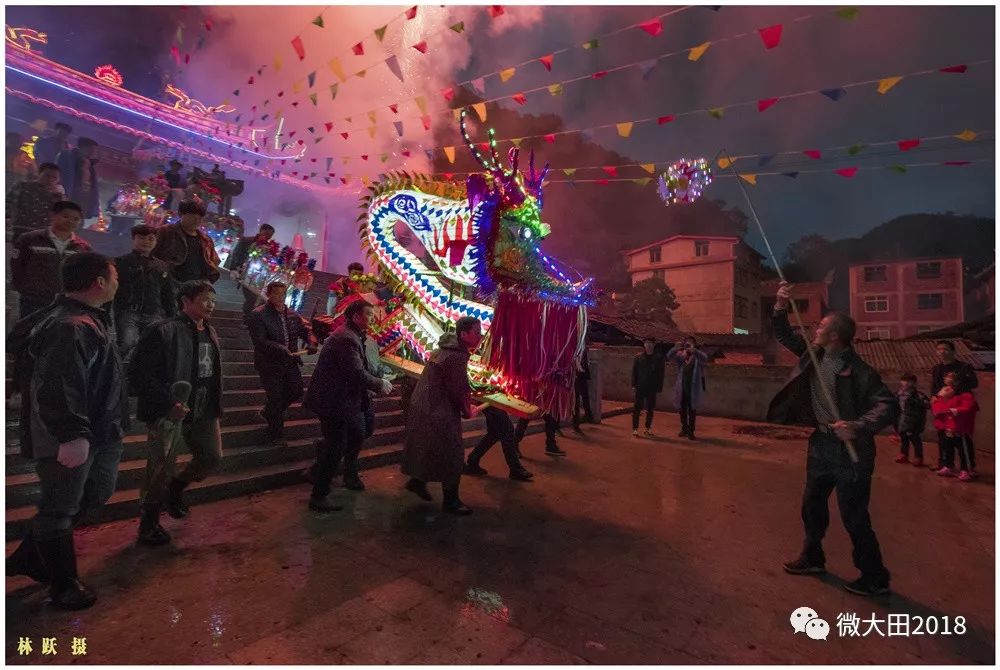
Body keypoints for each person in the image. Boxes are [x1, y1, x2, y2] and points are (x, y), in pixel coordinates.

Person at [5, 252, 127, 610]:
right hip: (72, 436)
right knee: (60, 507)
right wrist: (72, 435)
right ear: (99, 282)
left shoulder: (91, 320)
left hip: (101, 431)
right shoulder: (69, 325)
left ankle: (30, 557)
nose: (118, 283)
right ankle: (63, 585)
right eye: (114, 276)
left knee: (94, 494)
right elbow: (58, 386)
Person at [768, 281, 897, 597]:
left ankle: (875, 576)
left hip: (851, 450)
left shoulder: (859, 370)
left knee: (854, 517)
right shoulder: (814, 354)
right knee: (812, 506)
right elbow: (784, 335)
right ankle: (813, 557)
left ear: (835, 336)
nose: (815, 328)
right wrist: (780, 306)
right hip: (821, 444)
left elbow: (888, 404)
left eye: (821, 326)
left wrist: (858, 425)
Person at [131, 281, 224, 546]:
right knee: (160, 468)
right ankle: (148, 524)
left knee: (211, 456)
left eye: (213, 300)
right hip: (169, 412)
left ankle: (177, 487)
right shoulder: (162, 330)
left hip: (204, 408)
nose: (210, 305)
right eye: (205, 299)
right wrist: (166, 402)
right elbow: (140, 374)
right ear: (185, 300)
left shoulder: (210, 331)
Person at [304, 301, 393, 509]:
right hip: (334, 401)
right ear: (355, 316)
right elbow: (355, 372)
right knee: (336, 447)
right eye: (369, 314)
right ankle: (318, 495)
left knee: (356, 433)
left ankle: (326, 473)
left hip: (346, 400)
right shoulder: (346, 338)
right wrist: (380, 383)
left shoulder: (354, 336)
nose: (373, 318)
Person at [402, 318, 485, 515]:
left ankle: (417, 481)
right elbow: (458, 389)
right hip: (437, 410)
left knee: (430, 449)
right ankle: (451, 500)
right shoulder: (456, 356)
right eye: (477, 332)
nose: (480, 336)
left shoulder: (445, 350)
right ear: (463, 334)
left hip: (425, 407)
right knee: (453, 454)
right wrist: (467, 409)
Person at [246, 281, 318, 445]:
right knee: (276, 398)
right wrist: (279, 348)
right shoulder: (258, 314)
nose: (280, 297)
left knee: (296, 390)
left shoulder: (292, 314)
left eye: (283, 294)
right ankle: (275, 434)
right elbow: (260, 340)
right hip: (269, 364)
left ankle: (270, 411)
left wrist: (311, 342)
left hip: (290, 362)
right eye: (276, 293)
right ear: (269, 294)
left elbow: (305, 331)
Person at [11, 200, 92, 319]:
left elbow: (84, 274)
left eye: (76, 219)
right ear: (53, 216)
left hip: (66, 304)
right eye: (65, 216)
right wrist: (26, 290)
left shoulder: (83, 247)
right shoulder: (29, 239)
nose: (70, 221)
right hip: (34, 301)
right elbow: (17, 267)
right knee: (29, 334)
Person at [113, 225, 175, 366]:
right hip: (129, 311)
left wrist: (172, 314)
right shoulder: (121, 262)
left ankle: (139, 376)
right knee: (127, 342)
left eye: (151, 239)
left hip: (154, 312)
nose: (146, 242)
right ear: (133, 239)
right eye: (141, 238)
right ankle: (114, 370)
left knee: (152, 347)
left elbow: (167, 293)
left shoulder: (162, 266)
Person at [930, 340, 978, 470]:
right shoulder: (937, 369)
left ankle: (968, 467)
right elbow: (935, 386)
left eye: (945, 349)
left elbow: (973, 383)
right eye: (939, 349)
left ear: (953, 351)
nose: (942, 352)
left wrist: (954, 391)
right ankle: (945, 464)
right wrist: (934, 397)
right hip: (943, 406)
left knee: (961, 437)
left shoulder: (964, 367)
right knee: (943, 436)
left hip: (959, 406)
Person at [153, 199, 221, 285]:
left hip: (197, 285)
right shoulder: (165, 232)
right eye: (192, 216)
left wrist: (207, 281)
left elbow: (213, 260)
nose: (197, 220)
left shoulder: (206, 239)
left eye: (200, 218)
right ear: (181, 214)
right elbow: (151, 255)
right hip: (169, 282)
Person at [930, 371, 979, 481]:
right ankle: (948, 465)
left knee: (964, 449)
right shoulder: (944, 392)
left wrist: (954, 410)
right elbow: (937, 404)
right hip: (948, 426)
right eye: (946, 377)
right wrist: (938, 407)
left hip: (961, 427)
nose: (947, 379)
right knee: (948, 447)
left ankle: (966, 469)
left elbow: (968, 407)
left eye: (950, 377)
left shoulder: (965, 394)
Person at [465, 406, 534, 481]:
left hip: (489, 400)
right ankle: (516, 469)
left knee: (494, 433)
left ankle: (473, 460)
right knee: (507, 430)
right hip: (489, 400)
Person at [224, 223, 276, 314]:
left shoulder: (270, 248)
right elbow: (237, 254)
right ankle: (247, 317)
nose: (268, 237)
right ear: (261, 231)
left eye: (270, 235)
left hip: (260, 276)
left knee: (259, 298)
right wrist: (233, 268)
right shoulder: (247, 241)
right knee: (251, 297)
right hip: (246, 273)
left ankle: (251, 318)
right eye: (266, 234)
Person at [7, 162, 66, 240]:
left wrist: (59, 198)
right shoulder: (23, 186)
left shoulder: (57, 195)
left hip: (43, 234)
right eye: (47, 176)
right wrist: (6, 217)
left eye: (54, 178)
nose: (50, 180)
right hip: (20, 229)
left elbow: (63, 215)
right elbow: (7, 202)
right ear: (39, 173)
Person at [666, 336, 709, 440]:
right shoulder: (681, 357)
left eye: (691, 344)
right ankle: (684, 428)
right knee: (682, 410)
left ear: (694, 345)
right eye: (687, 344)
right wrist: (675, 348)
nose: (688, 346)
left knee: (692, 411)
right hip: (682, 389)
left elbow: (705, 358)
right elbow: (669, 356)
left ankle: (691, 431)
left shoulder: (698, 358)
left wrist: (695, 351)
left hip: (693, 389)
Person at [56, 137, 100, 218]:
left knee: (77, 219)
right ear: (84, 147)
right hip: (69, 194)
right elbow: (60, 174)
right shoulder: (67, 156)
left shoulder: (89, 163)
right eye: (93, 149)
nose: (94, 152)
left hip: (84, 196)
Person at [631, 336, 665, 437]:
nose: (648, 345)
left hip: (652, 387)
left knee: (650, 409)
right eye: (646, 343)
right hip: (640, 386)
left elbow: (661, 373)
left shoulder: (659, 358)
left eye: (650, 343)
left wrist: (659, 387)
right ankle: (635, 428)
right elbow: (634, 372)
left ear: (654, 345)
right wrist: (633, 384)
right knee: (637, 408)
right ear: (644, 345)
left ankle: (647, 428)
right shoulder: (638, 357)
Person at [894, 373, 928, 467]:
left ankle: (918, 457)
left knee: (915, 440)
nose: (905, 383)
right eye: (904, 380)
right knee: (904, 438)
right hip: (901, 420)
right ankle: (903, 454)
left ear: (913, 383)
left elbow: (926, 405)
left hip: (913, 422)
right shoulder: (897, 394)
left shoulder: (918, 395)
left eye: (909, 381)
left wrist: (917, 401)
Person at [571, 348, 595, 433]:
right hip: (580, 375)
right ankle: (588, 415)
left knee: (577, 399)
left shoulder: (576, 347)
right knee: (583, 397)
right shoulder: (581, 346)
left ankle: (577, 422)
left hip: (577, 376)